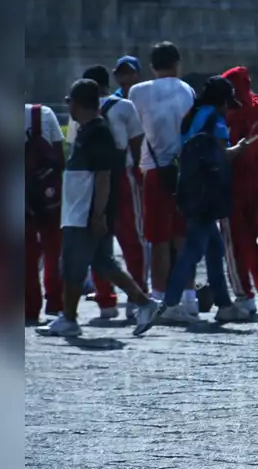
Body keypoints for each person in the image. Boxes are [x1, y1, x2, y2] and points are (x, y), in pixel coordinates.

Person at [36, 79, 159, 337]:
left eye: (71, 102)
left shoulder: (98, 133)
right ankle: (145, 303)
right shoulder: (87, 130)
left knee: (72, 265)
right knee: (102, 263)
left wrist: (99, 214)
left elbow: (103, 175)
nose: (69, 107)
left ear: (79, 104)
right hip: (82, 211)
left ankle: (69, 318)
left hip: (85, 213)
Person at [157, 76, 254, 324]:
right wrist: (241, 147)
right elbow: (222, 156)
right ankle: (169, 303)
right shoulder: (216, 121)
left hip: (188, 188)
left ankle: (223, 304)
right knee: (192, 250)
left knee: (214, 249)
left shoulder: (191, 116)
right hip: (207, 193)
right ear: (221, 101)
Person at [129, 42, 199, 315]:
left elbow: (134, 129)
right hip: (184, 170)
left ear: (152, 66)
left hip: (155, 168)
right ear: (178, 63)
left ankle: (157, 295)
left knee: (158, 238)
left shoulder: (139, 91)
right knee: (182, 236)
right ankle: (190, 295)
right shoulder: (188, 90)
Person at [74, 65, 149, 321]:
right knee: (132, 241)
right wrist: (136, 167)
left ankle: (106, 300)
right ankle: (137, 299)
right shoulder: (124, 106)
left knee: (97, 241)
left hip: (92, 181)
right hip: (123, 177)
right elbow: (138, 140)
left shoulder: (81, 111)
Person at [220, 66, 258, 314]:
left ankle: (244, 294)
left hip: (234, 182)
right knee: (250, 240)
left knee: (234, 242)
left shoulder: (231, 112)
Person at [25, 103, 65, 323]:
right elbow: (59, 157)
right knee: (54, 249)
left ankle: (29, 307)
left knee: (24, 255)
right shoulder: (43, 113)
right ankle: (56, 302)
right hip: (46, 191)